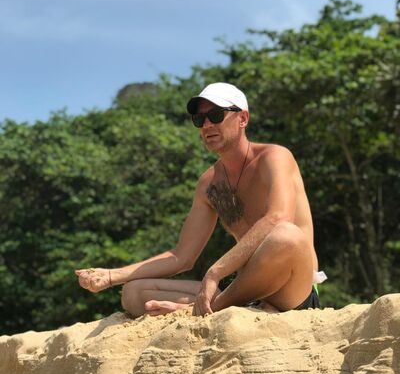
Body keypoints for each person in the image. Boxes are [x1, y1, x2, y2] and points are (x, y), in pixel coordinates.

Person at [76, 82, 326, 317]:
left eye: (216, 115)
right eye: (199, 119)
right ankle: (221, 306)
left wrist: (215, 272)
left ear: (242, 118)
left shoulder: (274, 157)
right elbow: (182, 256)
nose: (206, 125)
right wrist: (112, 276)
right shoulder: (209, 184)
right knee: (133, 292)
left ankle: (208, 308)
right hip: (244, 290)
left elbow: (277, 218)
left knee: (285, 235)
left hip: (291, 287)